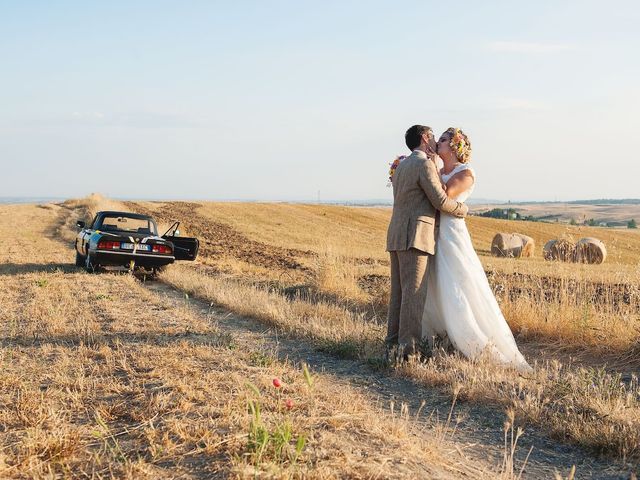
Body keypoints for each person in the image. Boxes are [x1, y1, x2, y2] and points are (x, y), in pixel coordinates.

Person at [422, 127, 531, 371]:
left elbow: (445, 196)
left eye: (443, 140)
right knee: (434, 284)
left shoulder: (466, 173)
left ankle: (473, 342)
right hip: (433, 233)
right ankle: (439, 339)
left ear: (454, 147)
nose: (437, 142)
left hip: (452, 234)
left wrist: (430, 168)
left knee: (457, 284)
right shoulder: (438, 170)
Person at [386, 125, 468, 359]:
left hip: (396, 234)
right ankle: (407, 351)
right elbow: (440, 200)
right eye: (433, 137)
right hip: (416, 236)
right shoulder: (424, 164)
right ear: (424, 138)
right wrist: (462, 209)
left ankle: (391, 346)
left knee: (398, 296)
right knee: (413, 296)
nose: (434, 141)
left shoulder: (401, 166)